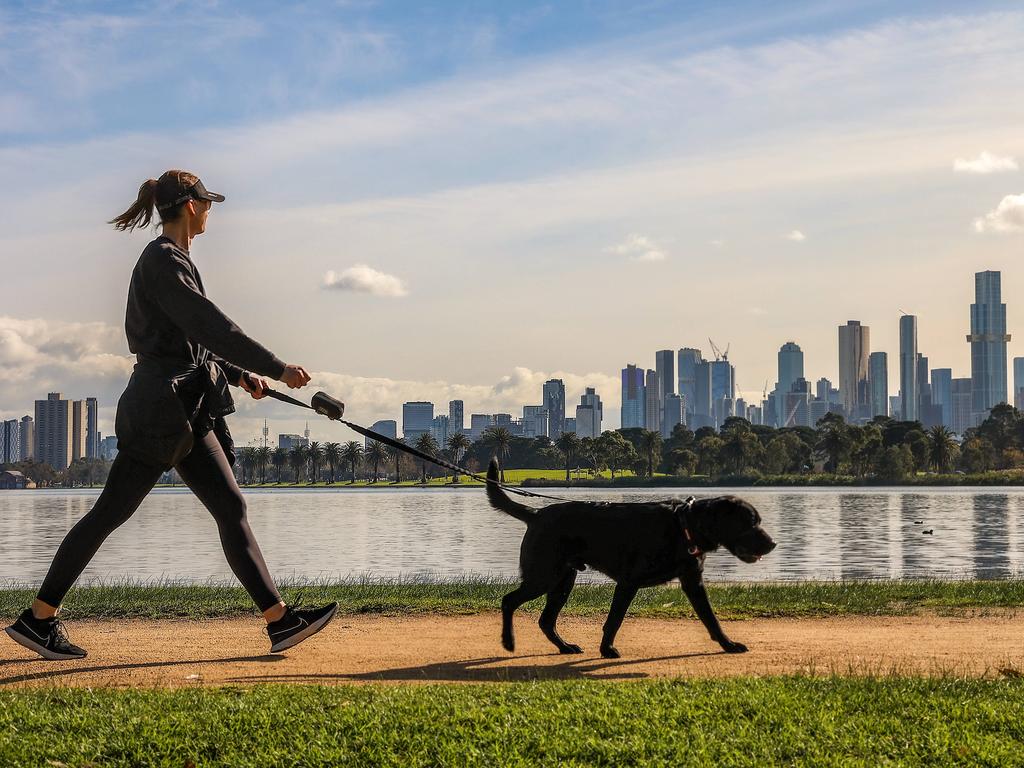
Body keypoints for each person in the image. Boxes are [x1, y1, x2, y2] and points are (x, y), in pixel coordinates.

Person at [5, 170, 337, 660]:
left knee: (230, 509)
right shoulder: (163, 261)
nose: (211, 211)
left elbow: (192, 340)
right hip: (161, 415)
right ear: (190, 205)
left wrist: (239, 375)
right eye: (208, 203)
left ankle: (279, 621)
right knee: (108, 515)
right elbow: (210, 325)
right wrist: (276, 367)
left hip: (182, 411)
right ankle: (38, 618)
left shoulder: (172, 260)